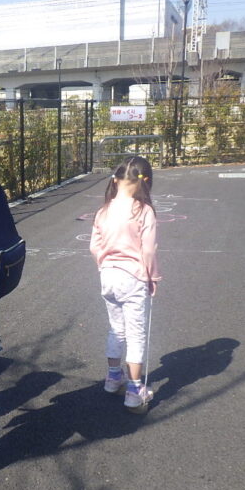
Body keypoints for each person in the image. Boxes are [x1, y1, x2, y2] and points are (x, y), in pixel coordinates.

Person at [90, 156, 161, 412]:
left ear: (115, 180)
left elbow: (94, 246)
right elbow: (148, 250)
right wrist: (152, 277)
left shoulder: (103, 211)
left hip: (108, 275)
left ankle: (113, 378)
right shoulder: (143, 211)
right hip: (133, 277)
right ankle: (134, 390)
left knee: (116, 329)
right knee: (135, 333)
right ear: (145, 181)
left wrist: (105, 264)